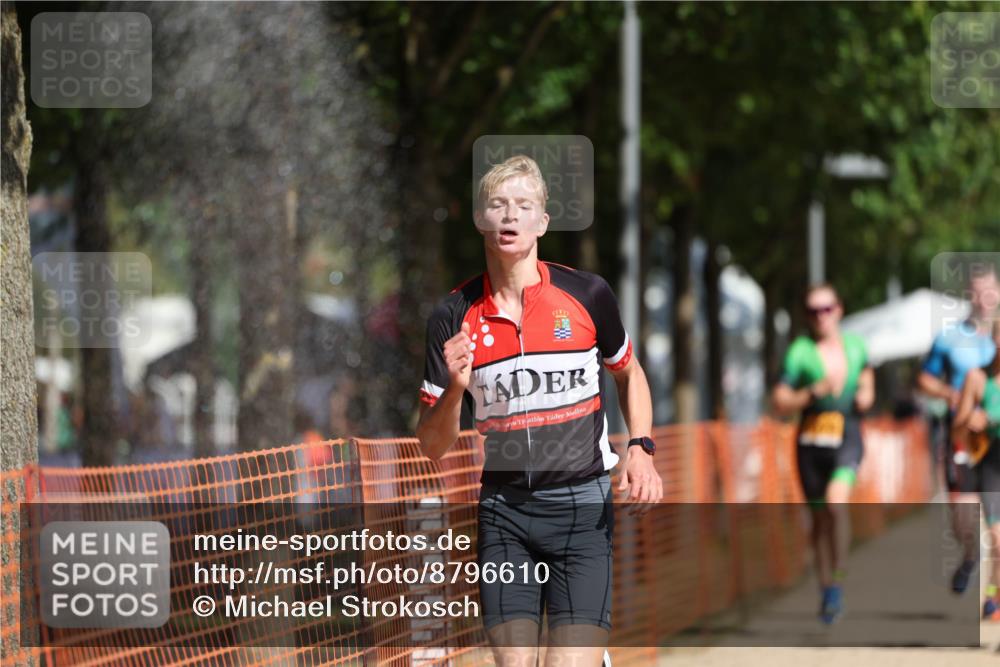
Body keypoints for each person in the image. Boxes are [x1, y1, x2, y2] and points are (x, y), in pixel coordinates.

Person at [415, 155, 663, 666]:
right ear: (481, 219)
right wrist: (456, 388)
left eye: (523, 206)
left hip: (582, 509)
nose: (509, 216)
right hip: (504, 514)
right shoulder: (453, 316)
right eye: (497, 206)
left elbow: (629, 373)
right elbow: (432, 445)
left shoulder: (586, 294)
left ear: (542, 222)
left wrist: (640, 447)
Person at [772, 283, 874, 624]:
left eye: (827, 308)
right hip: (811, 441)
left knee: (836, 504)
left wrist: (866, 394)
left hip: (847, 434)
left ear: (839, 309)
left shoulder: (856, 346)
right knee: (818, 521)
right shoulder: (800, 351)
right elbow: (780, 401)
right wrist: (811, 392)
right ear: (807, 316)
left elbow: (868, 373)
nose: (822, 316)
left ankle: (839, 581)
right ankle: (826, 588)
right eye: (814, 311)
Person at [917, 265, 999, 595]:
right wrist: (951, 394)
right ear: (967, 295)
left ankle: (993, 597)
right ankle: (969, 556)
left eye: (989, 289)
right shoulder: (949, 338)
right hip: (962, 437)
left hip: (995, 444)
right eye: (976, 290)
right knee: (963, 517)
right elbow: (924, 379)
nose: (983, 297)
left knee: (995, 525)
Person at [951, 319, 1000, 621]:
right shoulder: (977, 378)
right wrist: (972, 419)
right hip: (990, 464)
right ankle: (991, 593)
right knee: (995, 537)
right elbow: (957, 430)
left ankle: (993, 596)